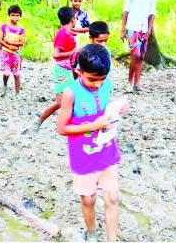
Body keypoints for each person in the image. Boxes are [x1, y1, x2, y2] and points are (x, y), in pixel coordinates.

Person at [56, 44, 128, 242]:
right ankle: (92, 232)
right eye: (91, 79)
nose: (97, 85)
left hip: (106, 151)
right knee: (88, 199)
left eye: (101, 79)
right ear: (79, 71)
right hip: (83, 157)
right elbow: (62, 128)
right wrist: (93, 126)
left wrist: (117, 109)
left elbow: (106, 111)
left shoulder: (107, 85)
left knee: (112, 198)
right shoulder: (71, 93)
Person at [30, 7, 79, 132]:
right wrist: (74, 52)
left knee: (72, 98)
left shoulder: (68, 33)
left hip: (68, 70)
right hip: (62, 70)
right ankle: (39, 122)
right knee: (59, 102)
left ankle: (73, 124)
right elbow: (56, 54)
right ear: (72, 19)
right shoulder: (62, 33)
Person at [119, 0, 156, 94]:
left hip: (144, 29)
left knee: (141, 57)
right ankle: (129, 82)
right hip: (132, 28)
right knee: (135, 55)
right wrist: (122, 29)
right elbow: (126, 11)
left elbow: (152, 14)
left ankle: (137, 83)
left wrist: (148, 31)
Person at [0, 5, 25, 98]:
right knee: (6, 73)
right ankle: (5, 85)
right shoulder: (4, 27)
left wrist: (13, 44)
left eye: (17, 15)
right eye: (13, 15)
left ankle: (17, 94)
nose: (15, 17)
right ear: (9, 15)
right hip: (5, 53)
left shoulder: (20, 29)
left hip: (16, 54)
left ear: (20, 16)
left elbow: (22, 42)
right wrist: (8, 44)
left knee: (16, 75)